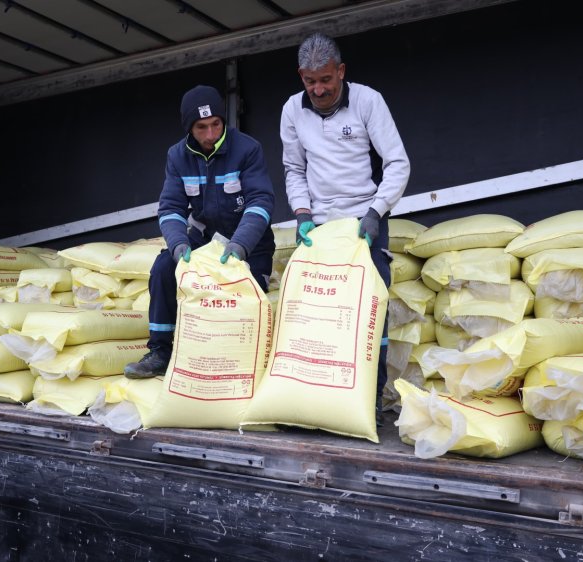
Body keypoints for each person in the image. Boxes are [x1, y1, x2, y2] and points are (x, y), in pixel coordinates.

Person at [280, 33, 411, 424]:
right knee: (317, 314)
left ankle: (369, 401)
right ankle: (317, 402)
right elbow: (294, 168)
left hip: (364, 221)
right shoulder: (292, 109)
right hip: (318, 227)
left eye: (326, 79)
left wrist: (376, 212)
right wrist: (302, 213)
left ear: (341, 71)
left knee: (369, 313)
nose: (319, 90)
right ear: (301, 77)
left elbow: (398, 163)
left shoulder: (368, 101)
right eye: (310, 81)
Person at [125, 85, 275, 378]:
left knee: (242, 289)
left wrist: (241, 245)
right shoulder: (177, 156)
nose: (210, 134)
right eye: (201, 127)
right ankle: (160, 352)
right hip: (204, 238)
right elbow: (171, 208)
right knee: (163, 268)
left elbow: (261, 202)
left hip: (250, 244)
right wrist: (178, 244)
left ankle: (231, 362)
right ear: (189, 129)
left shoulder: (247, 149)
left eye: (216, 124)